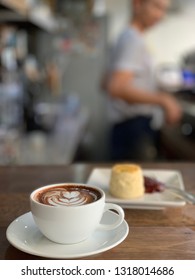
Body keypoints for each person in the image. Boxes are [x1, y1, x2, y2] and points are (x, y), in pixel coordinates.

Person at [104, 0, 183, 161]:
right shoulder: (133, 40)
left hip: (124, 128)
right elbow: (116, 88)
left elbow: (104, 83)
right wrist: (164, 100)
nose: (161, 15)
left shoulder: (123, 37)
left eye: (164, 10)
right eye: (157, 7)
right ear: (137, 4)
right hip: (133, 129)